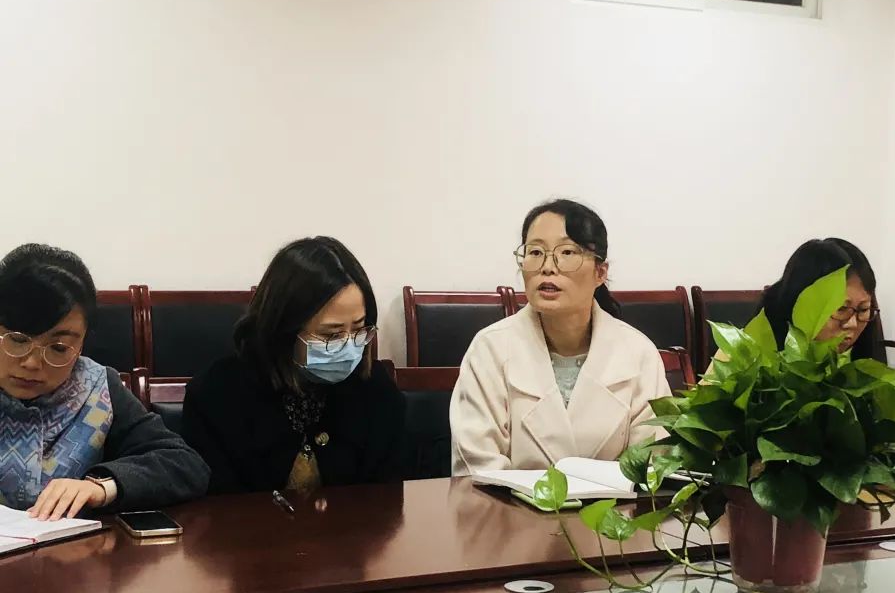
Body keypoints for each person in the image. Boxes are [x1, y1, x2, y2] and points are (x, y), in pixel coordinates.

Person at [450, 199, 669, 476]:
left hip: (615, 505)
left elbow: (651, 468)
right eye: (535, 252)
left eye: (567, 252)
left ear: (600, 272)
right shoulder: (490, 349)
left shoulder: (638, 353)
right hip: (508, 505)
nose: (547, 267)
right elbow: (477, 469)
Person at [0, 244, 209, 520]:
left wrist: (101, 487)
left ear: (83, 342)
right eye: (17, 340)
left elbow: (186, 465)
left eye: (59, 348)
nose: (31, 363)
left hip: (74, 546)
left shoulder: (97, 389)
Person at [183, 236, 405, 494]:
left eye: (358, 329)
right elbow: (215, 507)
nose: (347, 347)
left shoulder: (377, 390)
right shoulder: (216, 394)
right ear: (283, 330)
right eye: (330, 335)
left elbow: (387, 502)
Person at [759, 238, 885, 360]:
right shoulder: (763, 356)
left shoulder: (863, 359)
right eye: (841, 308)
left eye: (863, 310)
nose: (852, 323)